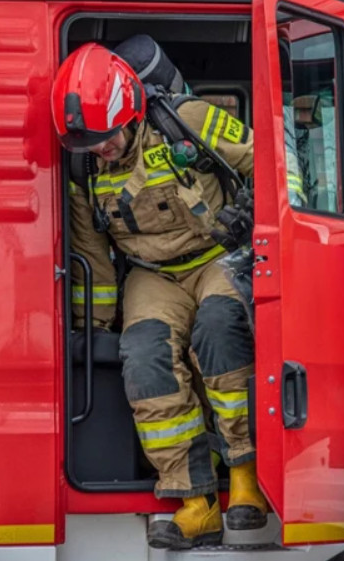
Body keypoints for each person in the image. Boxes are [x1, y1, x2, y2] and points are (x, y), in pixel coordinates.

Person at [51, 43, 268, 550]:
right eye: (90, 143)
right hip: (152, 275)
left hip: (216, 256)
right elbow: (93, 255)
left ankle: (246, 479)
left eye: (108, 137)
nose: (102, 149)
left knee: (220, 330)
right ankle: (195, 502)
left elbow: (273, 167)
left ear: (130, 112)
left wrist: (255, 214)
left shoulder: (186, 120)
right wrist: (93, 329)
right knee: (145, 358)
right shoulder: (84, 169)